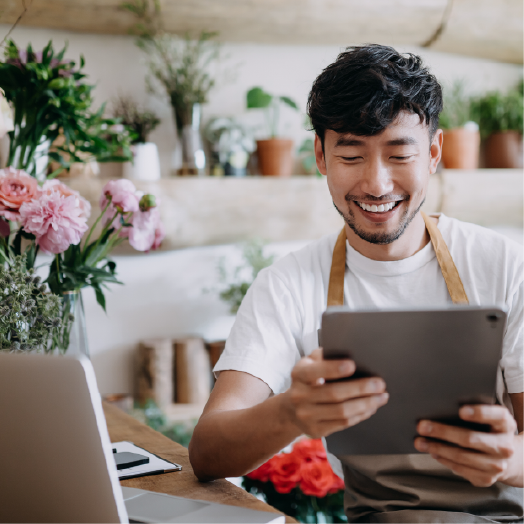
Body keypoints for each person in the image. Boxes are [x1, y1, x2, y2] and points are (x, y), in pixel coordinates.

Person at [188, 45, 524, 522]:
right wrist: (292, 413)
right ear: (321, 157)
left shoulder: (504, 264)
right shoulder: (287, 284)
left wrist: (508, 458)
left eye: (399, 153)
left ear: (433, 153)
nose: (376, 183)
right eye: (350, 154)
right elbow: (206, 451)